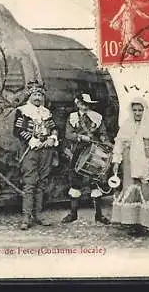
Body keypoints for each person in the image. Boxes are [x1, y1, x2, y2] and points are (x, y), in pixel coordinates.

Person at [110, 97, 149, 243]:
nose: (137, 113)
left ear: (145, 110)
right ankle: (137, 224)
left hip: (148, 162)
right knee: (133, 192)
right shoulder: (127, 124)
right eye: (135, 110)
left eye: (140, 110)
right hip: (130, 163)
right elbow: (119, 142)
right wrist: (116, 160)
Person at [13, 82, 59, 230]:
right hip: (30, 150)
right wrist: (31, 140)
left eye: (40, 95)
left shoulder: (46, 112)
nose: (38, 97)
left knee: (42, 182)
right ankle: (26, 217)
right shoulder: (22, 111)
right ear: (30, 96)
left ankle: (38, 214)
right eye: (35, 95)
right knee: (30, 183)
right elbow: (18, 130)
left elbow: (53, 128)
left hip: (46, 150)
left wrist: (52, 138)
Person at [61, 93, 111, 225]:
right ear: (77, 103)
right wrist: (81, 137)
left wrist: (105, 142)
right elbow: (68, 134)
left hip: (94, 151)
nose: (84, 106)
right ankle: (73, 214)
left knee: (95, 183)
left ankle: (99, 215)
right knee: (75, 182)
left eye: (87, 104)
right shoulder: (72, 117)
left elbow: (103, 134)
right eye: (82, 103)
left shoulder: (96, 117)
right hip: (77, 152)